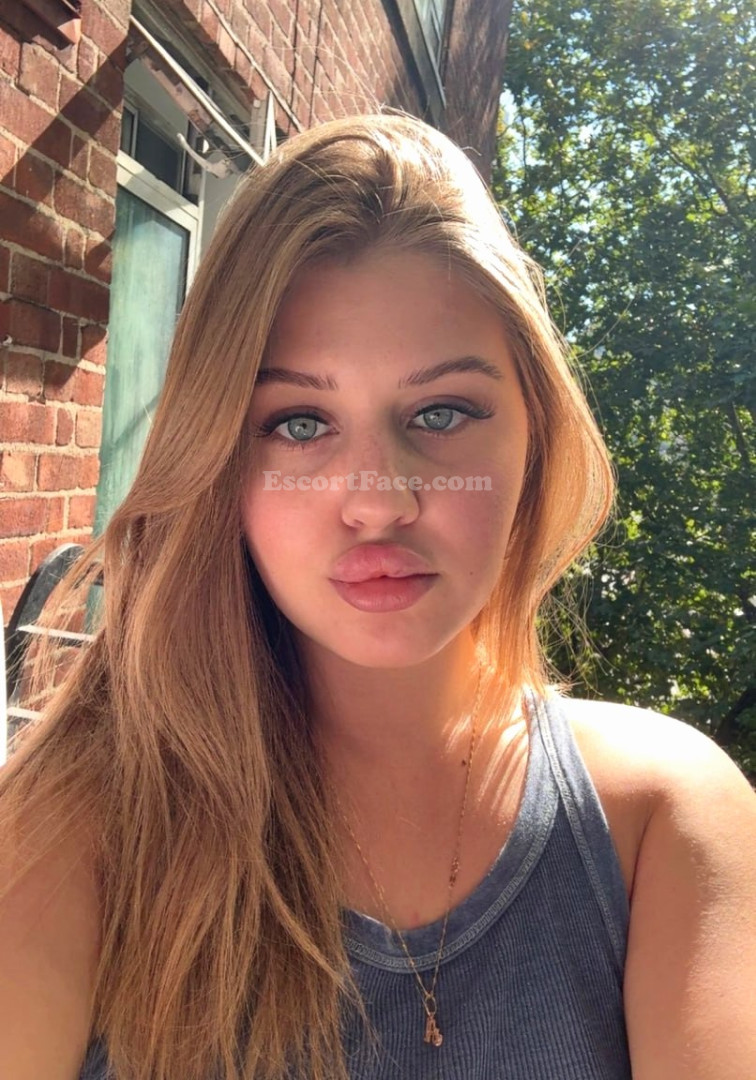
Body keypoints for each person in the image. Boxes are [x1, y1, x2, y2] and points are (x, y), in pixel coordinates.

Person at [1, 111, 755, 1080]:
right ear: (219, 455)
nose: (378, 499)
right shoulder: (75, 827)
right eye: (300, 422)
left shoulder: (664, 822)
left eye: (441, 412)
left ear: (534, 435)